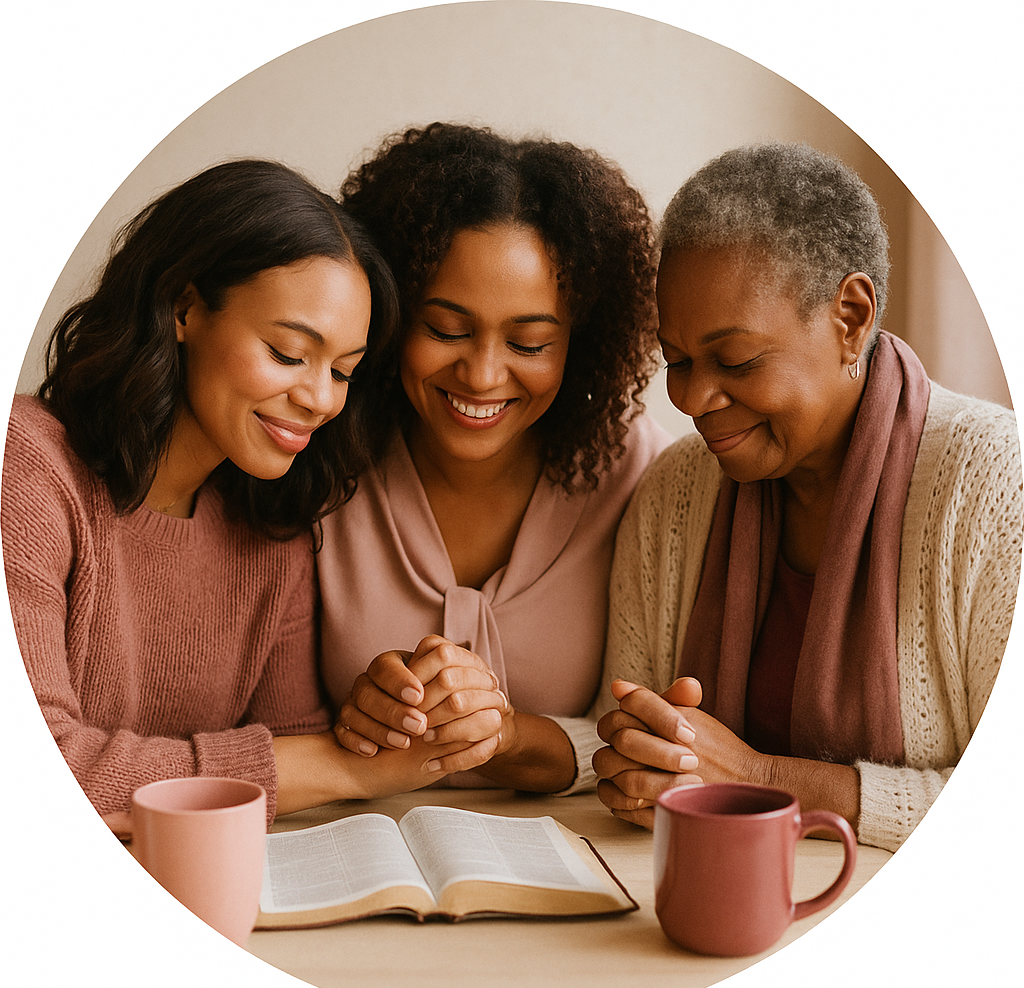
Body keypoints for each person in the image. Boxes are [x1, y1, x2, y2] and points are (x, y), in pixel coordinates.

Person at [1, 159, 502, 833]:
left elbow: (293, 751)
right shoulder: (29, 464)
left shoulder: (272, 529)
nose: (320, 399)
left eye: (343, 371)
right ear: (183, 308)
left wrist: (401, 712)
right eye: (289, 354)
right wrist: (347, 768)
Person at [592, 142, 1022, 851]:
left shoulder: (990, 477)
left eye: (735, 360)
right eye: (676, 360)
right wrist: (639, 768)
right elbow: (632, 737)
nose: (695, 399)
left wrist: (758, 777)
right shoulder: (675, 491)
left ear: (850, 318)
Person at [317, 123, 671, 793]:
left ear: (583, 343)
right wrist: (348, 725)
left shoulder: (640, 475)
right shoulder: (324, 449)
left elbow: (646, 734)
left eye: (530, 344)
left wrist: (507, 735)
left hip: (576, 857)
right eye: (445, 329)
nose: (481, 376)